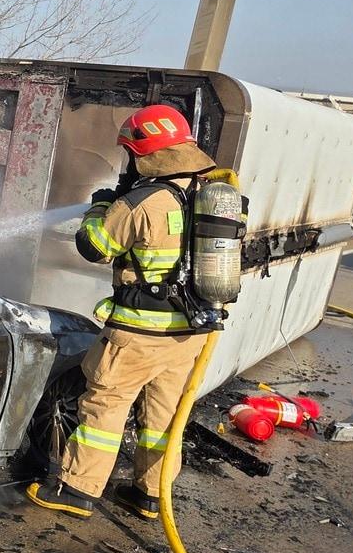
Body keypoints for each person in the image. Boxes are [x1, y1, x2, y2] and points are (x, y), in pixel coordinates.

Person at [27, 104, 217, 522]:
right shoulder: (212, 197)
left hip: (137, 334)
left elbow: (93, 247)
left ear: (142, 152)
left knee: (104, 409)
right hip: (189, 335)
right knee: (163, 419)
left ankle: (77, 489)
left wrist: (100, 207)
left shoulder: (142, 202)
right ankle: (150, 495)